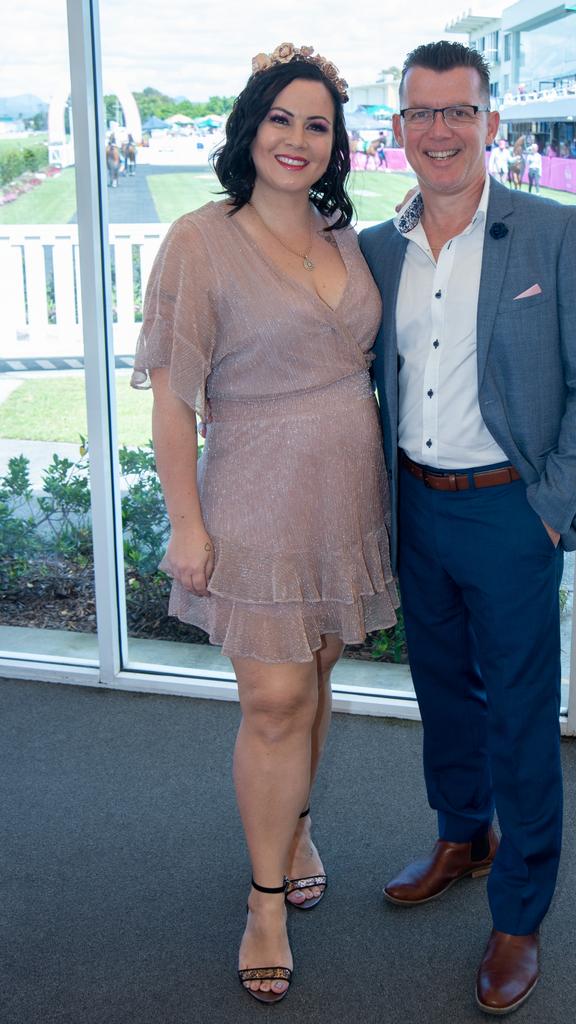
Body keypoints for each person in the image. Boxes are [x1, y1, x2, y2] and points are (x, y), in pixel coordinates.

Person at [359, 40, 576, 1016]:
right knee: (443, 694)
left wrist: (549, 510)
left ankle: (520, 910)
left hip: (514, 513)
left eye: (458, 110)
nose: (439, 129)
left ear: (490, 124)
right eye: (421, 112)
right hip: (417, 508)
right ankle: (464, 836)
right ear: (398, 130)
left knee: (520, 718)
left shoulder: (553, 232)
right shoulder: (379, 249)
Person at [131, 42, 398, 1005]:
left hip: (346, 496)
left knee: (317, 679)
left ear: (336, 145)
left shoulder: (346, 238)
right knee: (273, 700)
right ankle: (264, 902)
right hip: (253, 495)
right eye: (281, 119)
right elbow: (172, 401)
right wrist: (186, 524)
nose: (298, 138)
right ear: (250, 130)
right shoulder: (202, 241)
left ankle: (295, 824)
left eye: (317, 123)